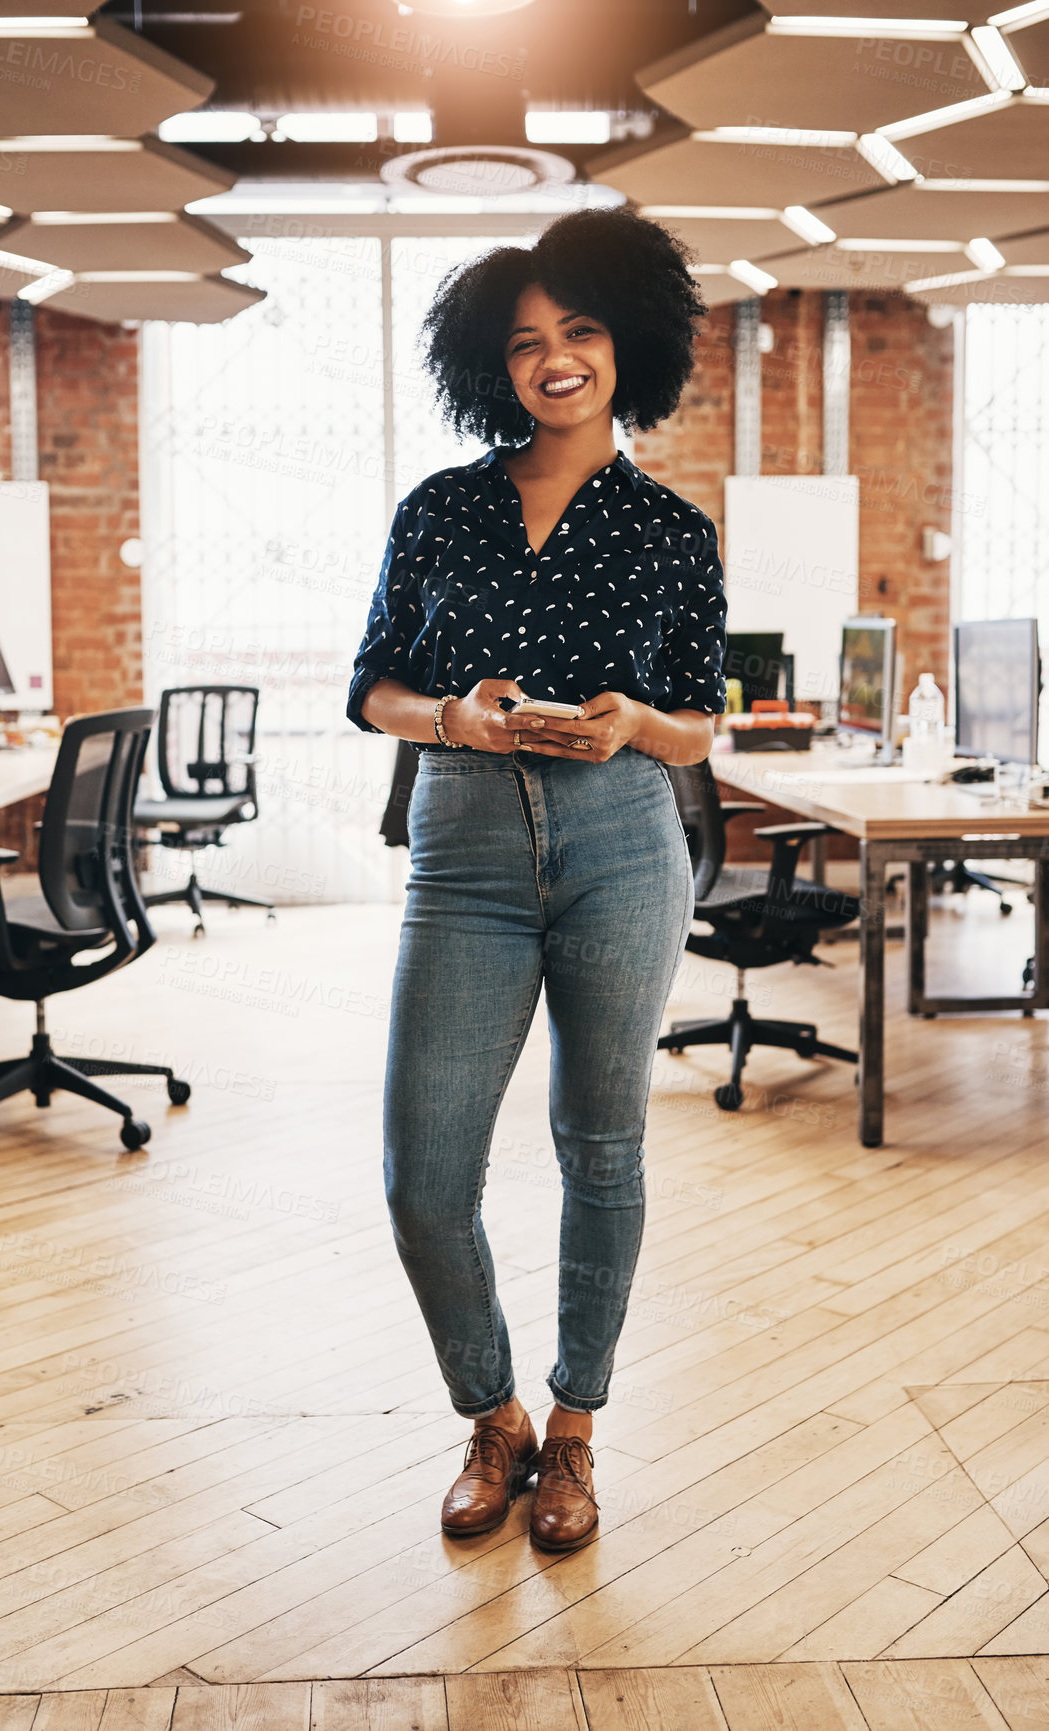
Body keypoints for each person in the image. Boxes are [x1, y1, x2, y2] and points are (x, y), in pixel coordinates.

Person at [346, 206, 726, 1553]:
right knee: (423, 1169)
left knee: (601, 1146)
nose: (554, 360)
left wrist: (633, 726)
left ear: (629, 344)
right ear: (489, 365)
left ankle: (569, 1437)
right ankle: (489, 1413)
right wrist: (454, 715)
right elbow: (372, 690)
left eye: (579, 331)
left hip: (625, 831)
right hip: (466, 844)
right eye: (524, 343)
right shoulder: (439, 509)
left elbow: (699, 721)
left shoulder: (673, 531)